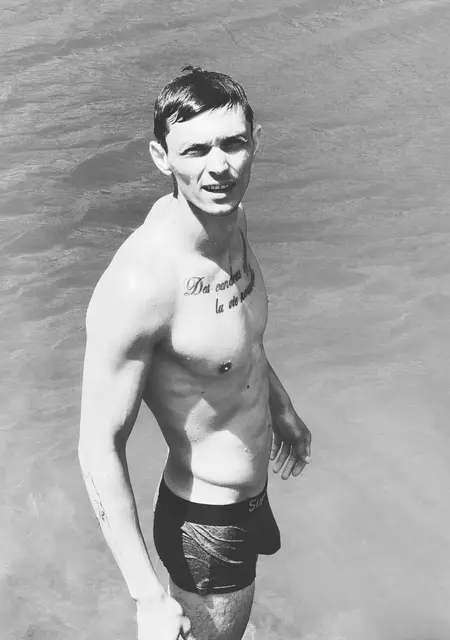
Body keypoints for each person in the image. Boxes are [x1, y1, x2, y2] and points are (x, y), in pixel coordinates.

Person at [78, 66, 312, 640]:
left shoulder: (231, 221)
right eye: (196, 150)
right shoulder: (142, 285)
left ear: (256, 141)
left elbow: (240, 339)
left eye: (233, 144)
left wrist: (281, 406)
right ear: (162, 158)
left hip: (250, 491)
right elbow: (96, 446)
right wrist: (146, 597)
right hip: (207, 522)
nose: (220, 167)